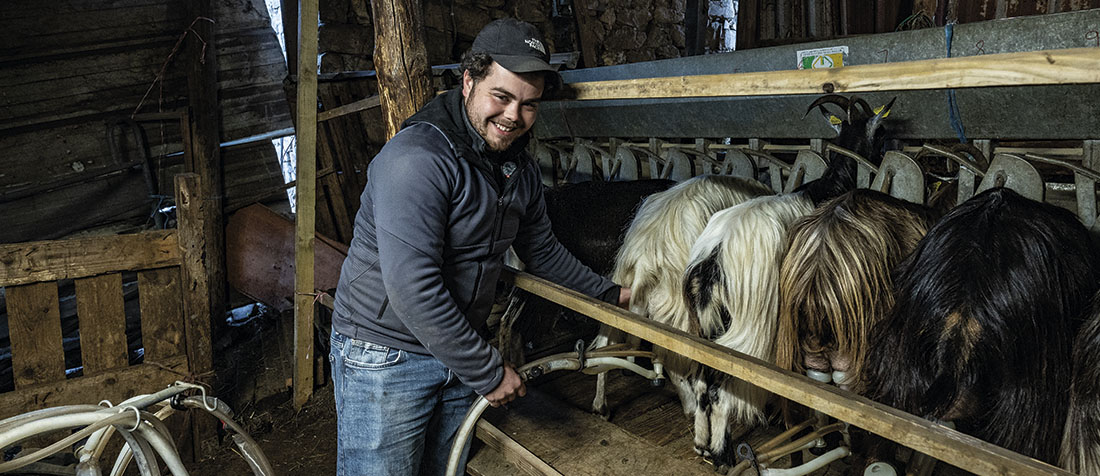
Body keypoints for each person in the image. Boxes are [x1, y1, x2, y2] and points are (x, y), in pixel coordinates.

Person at [328, 18, 631, 476]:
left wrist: (610, 295)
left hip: (457, 348)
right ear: (468, 81)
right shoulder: (418, 160)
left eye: (529, 105)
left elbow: (542, 251)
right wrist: (488, 371)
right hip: (387, 356)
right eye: (502, 97)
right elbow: (413, 287)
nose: (514, 116)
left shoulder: (517, 170)